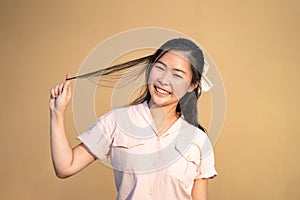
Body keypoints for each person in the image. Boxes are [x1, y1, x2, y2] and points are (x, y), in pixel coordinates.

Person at [49, 38, 217, 200]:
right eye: (159, 67)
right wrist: (57, 113)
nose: (163, 80)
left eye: (177, 75)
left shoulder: (199, 141)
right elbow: (66, 166)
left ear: (192, 85)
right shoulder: (117, 121)